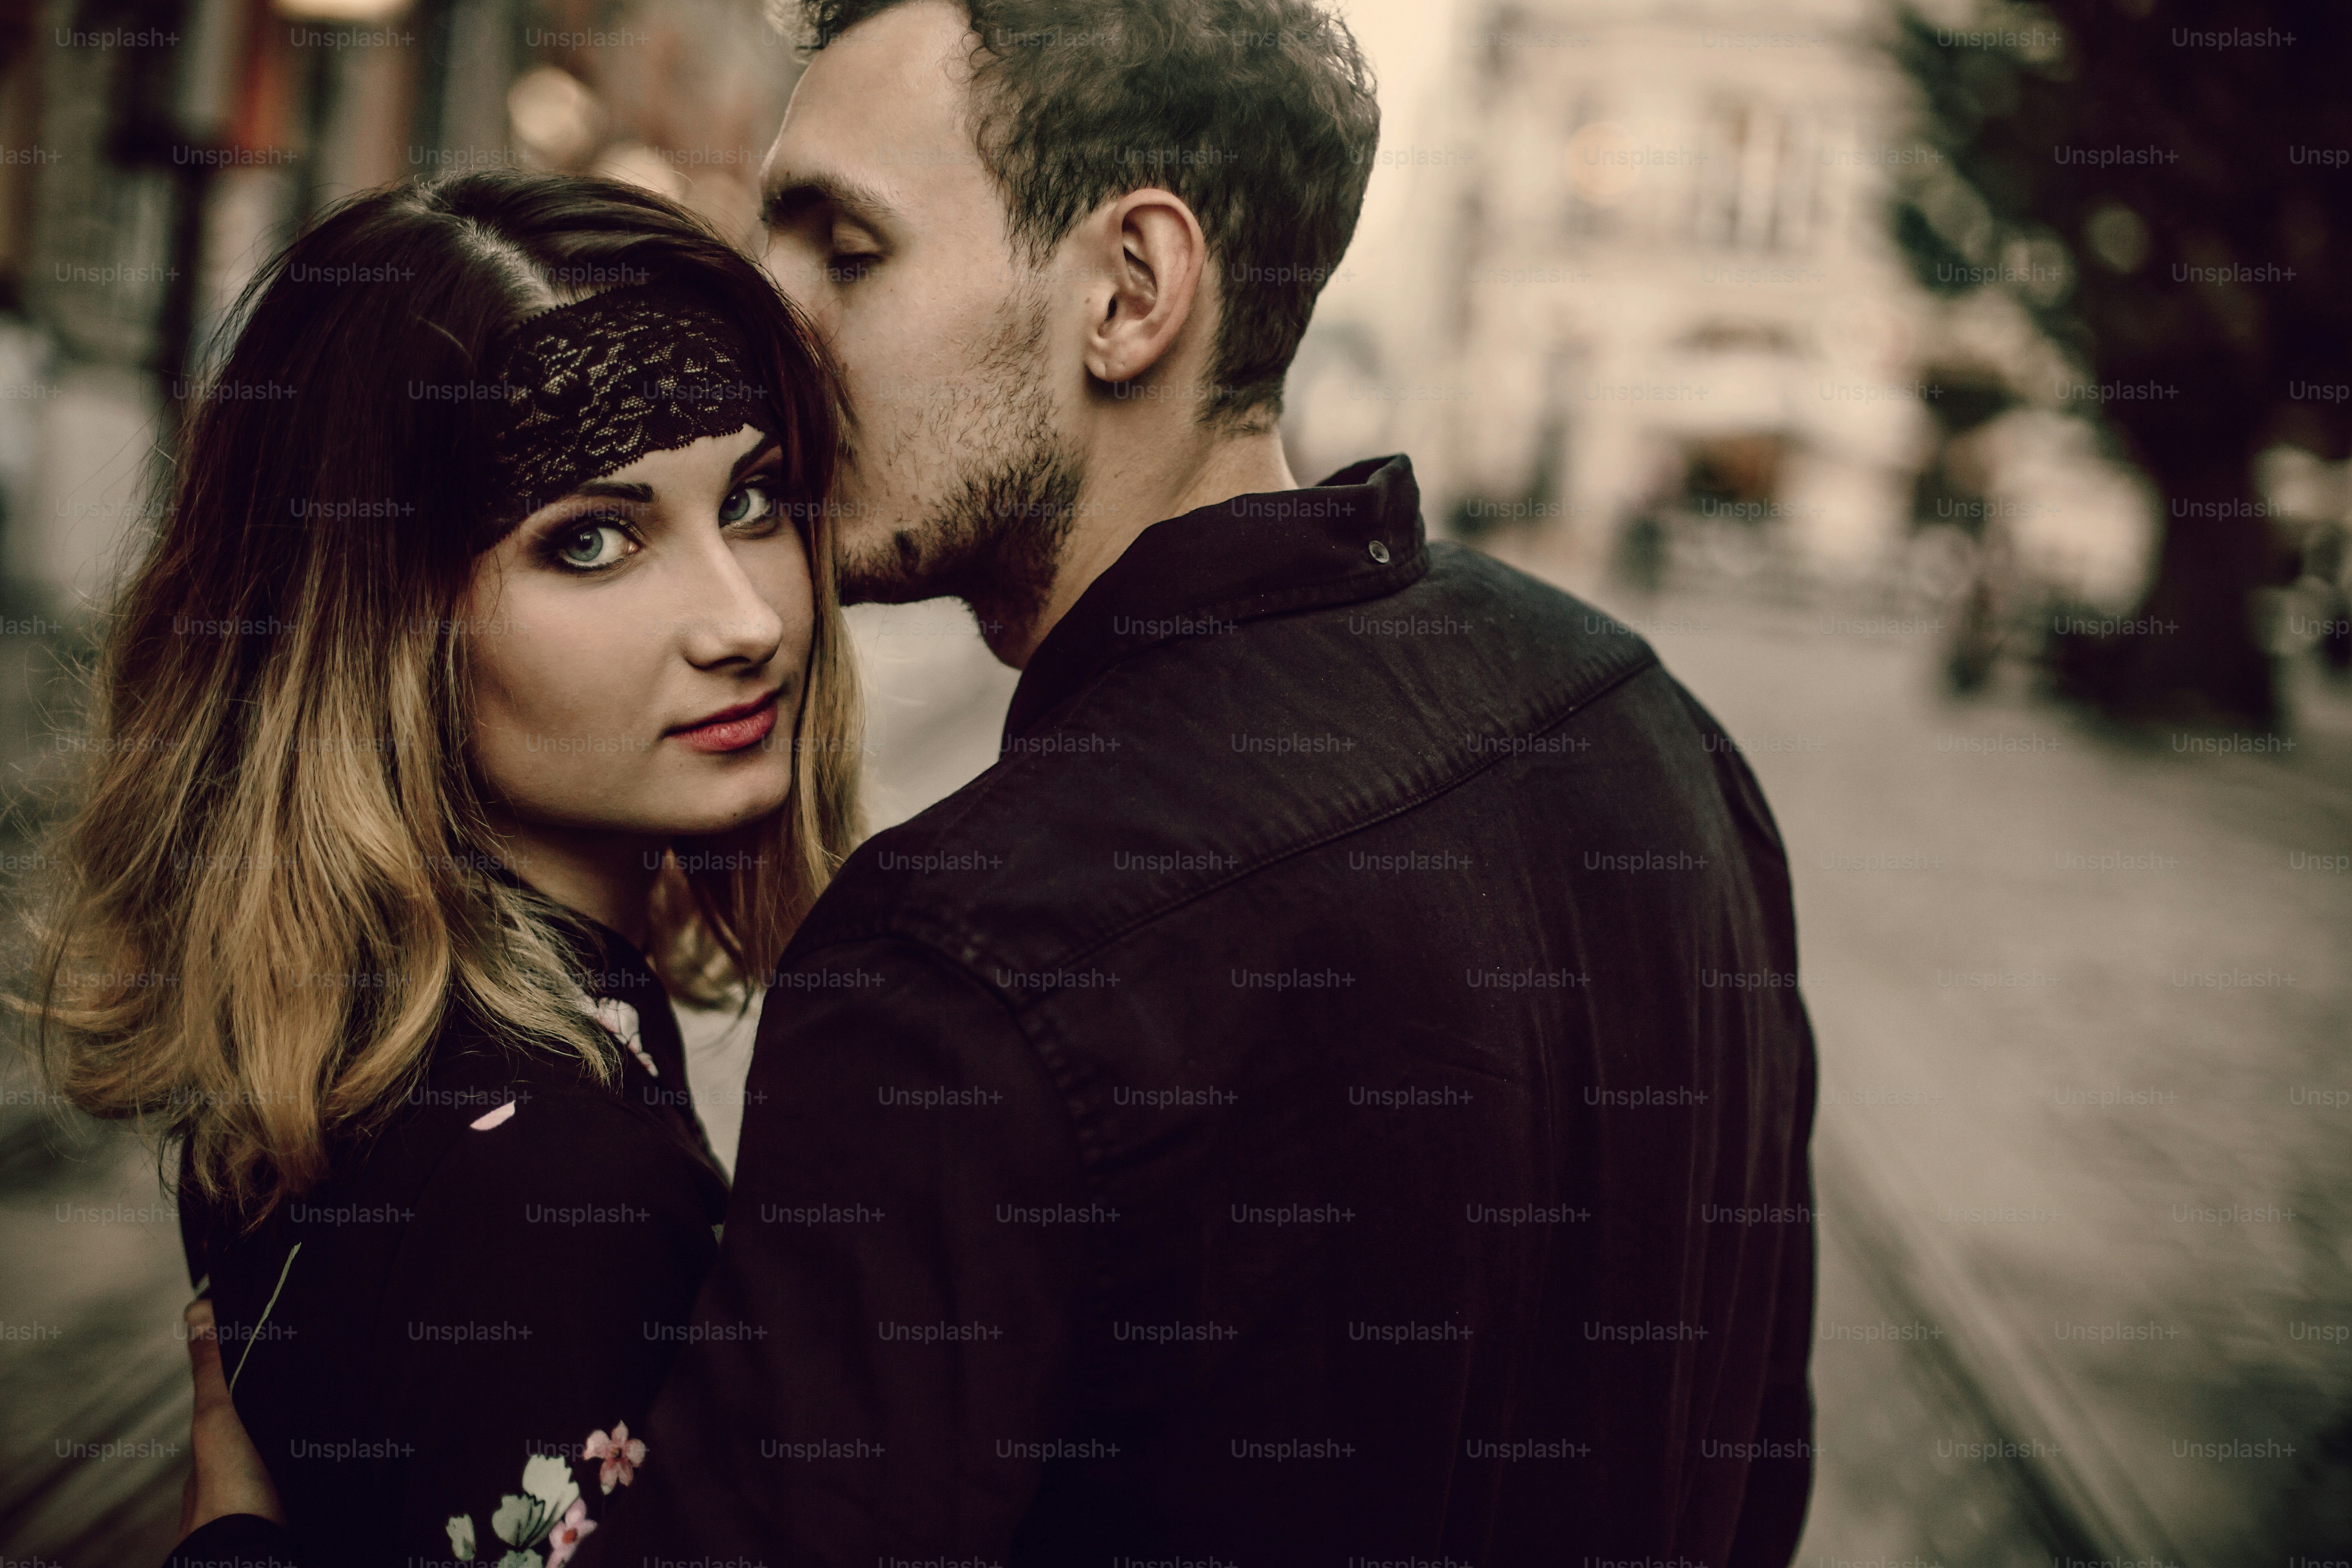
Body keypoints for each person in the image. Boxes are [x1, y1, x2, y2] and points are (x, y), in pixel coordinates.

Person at [186, 0, 1820, 1561]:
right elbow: (1754, 1463)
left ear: (1131, 290)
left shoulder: (965, 962)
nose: (773, 317)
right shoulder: (1647, 732)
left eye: (849, 249)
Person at [26, 169, 859, 1566]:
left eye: (757, 499)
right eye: (590, 539)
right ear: (377, 620)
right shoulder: (562, 1192)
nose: (745, 620)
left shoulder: (327, 1041)